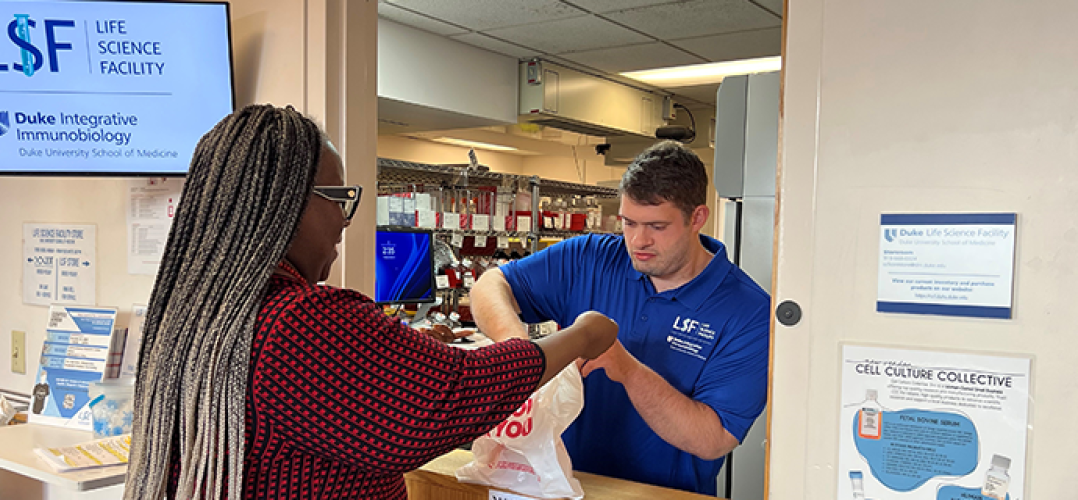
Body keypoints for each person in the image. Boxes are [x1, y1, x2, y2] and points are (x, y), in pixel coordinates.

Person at [124, 104, 618, 500]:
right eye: (338, 198)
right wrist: (582, 335)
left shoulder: (192, 318)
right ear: (289, 201)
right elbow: (455, 394)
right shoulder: (298, 321)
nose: (345, 221)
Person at [471, 140, 771, 495]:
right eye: (629, 223)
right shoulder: (589, 257)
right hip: (562, 487)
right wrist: (517, 347)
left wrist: (625, 368)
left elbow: (714, 439)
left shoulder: (749, 311)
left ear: (698, 218)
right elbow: (490, 284)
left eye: (657, 226)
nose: (638, 240)